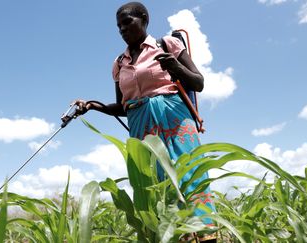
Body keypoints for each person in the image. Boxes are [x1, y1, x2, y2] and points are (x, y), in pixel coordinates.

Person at [74, 2, 216, 241]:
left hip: (174, 118)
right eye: (119, 26)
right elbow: (122, 106)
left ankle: (204, 234)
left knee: (188, 173)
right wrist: (93, 105)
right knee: (153, 181)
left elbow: (198, 83)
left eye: (127, 22)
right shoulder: (119, 63)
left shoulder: (168, 45)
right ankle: (173, 235)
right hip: (141, 125)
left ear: (144, 19)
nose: (122, 29)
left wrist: (175, 66)